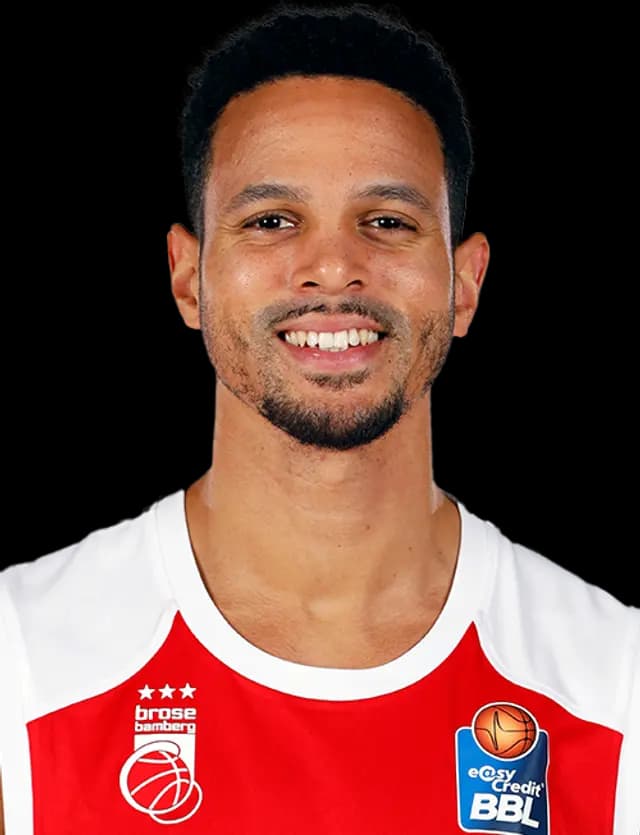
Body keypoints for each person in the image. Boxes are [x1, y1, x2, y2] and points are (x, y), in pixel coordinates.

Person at [0, 3, 637, 833]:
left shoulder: (614, 686)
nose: (333, 267)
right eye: (271, 221)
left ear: (465, 283)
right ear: (188, 278)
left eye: (388, 222)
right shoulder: (24, 660)